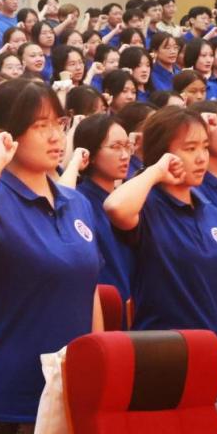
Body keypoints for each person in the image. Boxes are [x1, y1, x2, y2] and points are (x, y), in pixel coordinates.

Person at [0, 78, 101, 434]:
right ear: (7, 135)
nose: (55, 136)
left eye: (58, 124)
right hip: (3, 399)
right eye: (39, 125)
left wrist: (100, 367)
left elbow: (90, 290)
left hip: (69, 395)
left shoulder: (76, 203)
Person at [103, 105, 217, 400]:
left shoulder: (211, 210)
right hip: (165, 354)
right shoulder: (147, 205)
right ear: (164, 154)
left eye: (204, 147)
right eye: (190, 149)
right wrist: (156, 172)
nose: (201, 157)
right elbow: (115, 207)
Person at [72, 114, 135, 303]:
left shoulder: (125, 200)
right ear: (90, 154)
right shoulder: (81, 201)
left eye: (127, 146)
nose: (125, 155)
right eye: (115, 147)